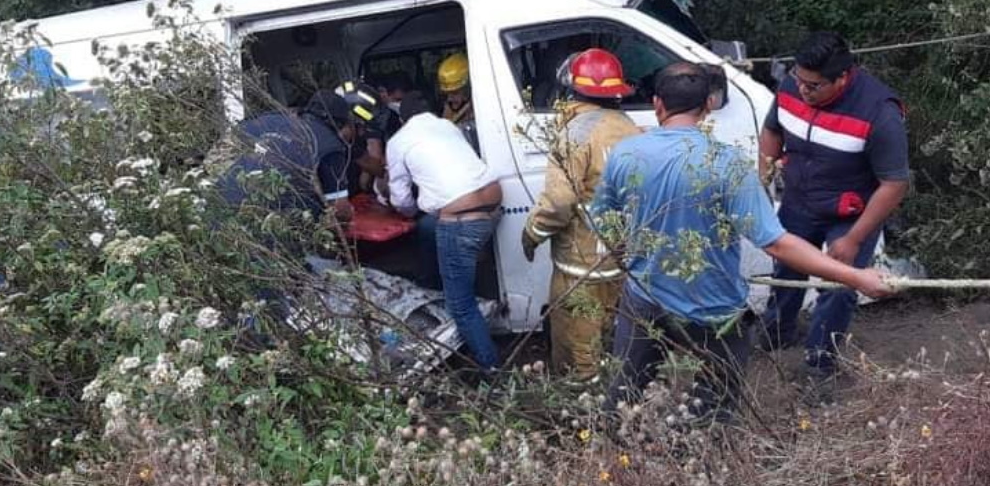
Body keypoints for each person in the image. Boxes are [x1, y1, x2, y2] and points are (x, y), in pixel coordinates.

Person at [591, 63, 894, 423]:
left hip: (644, 298)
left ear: (657, 103)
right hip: (712, 309)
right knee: (714, 405)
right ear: (708, 105)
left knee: (624, 393)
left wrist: (630, 258)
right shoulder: (727, 164)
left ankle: (611, 446)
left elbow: (604, 221)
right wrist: (856, 276)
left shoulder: (625, 154)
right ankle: (703, 447)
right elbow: (777, 244)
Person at [758, 32, 910, 381]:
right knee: (786, 271)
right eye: (798, 79)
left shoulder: (879, 112)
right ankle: (777, 334)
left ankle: (820, 366)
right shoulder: (792, 86)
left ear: (842, 77)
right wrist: (763, 173)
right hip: (799, 201)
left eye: (813, 86)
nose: (803, 90)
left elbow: (894, 184)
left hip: (851, 214)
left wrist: (854, 238)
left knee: (839, 287)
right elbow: (772, 130)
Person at [521, 48, 641, 378]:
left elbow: (559, 202)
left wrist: (532, 233)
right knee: (612, 337)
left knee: (576, 349)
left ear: (570, 89)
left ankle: (582, 400)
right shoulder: (630, 127)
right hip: (621, 260)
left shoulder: (574, 133)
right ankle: (616, 394)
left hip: (580, 267)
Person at [383, 91, 502, 371]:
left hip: (461, 221)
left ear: (402, 120)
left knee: (461, 304)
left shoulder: (398, 141)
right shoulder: (447, 126)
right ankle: (439, 286)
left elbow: (401, 199)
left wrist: (410, 212)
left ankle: (492, 369)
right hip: (494, 205)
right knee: (431, 231)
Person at [217, 83, 378, 222]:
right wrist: (349, 212)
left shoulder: (264, 120)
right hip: (265, 226)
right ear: (344, 125)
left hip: (215, 210)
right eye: (357, 128)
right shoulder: (331, 145)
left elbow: (216, 160)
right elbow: (339, 211)